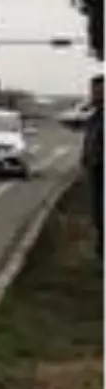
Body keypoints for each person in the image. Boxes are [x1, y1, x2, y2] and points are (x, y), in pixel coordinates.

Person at [81, 74, 106, 268]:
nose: (96, 94)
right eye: (94, 90)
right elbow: (89, 141)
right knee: (98, 215)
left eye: (100, 90)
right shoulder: (95, 116)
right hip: (96, 171)